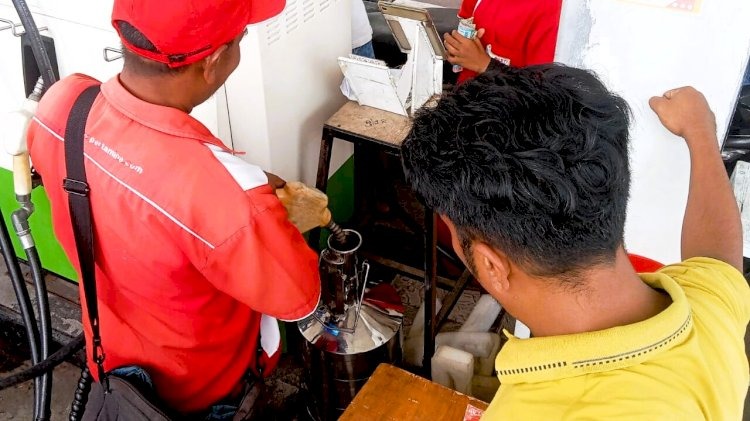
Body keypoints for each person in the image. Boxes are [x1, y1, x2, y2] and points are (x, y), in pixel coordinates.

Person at [401, 64, 749, 419]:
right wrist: (700, 133)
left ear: (491, 265)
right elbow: (717, 260)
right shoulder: (709, 311)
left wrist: (700, 133)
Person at [26, 0, 321, 418]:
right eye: (240, 39)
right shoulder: (226, 193)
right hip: (202, 393)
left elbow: (126, 189)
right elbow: (300, 297)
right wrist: (258, 206)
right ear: (213, 61)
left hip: (110, 362)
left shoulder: (63, 105)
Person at [443, 0, 562, 83]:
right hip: (464, 95)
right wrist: (457, 50)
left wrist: (485, 65)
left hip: (501, 107)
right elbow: (466, 23)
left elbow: (543, 92)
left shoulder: (555, 12)